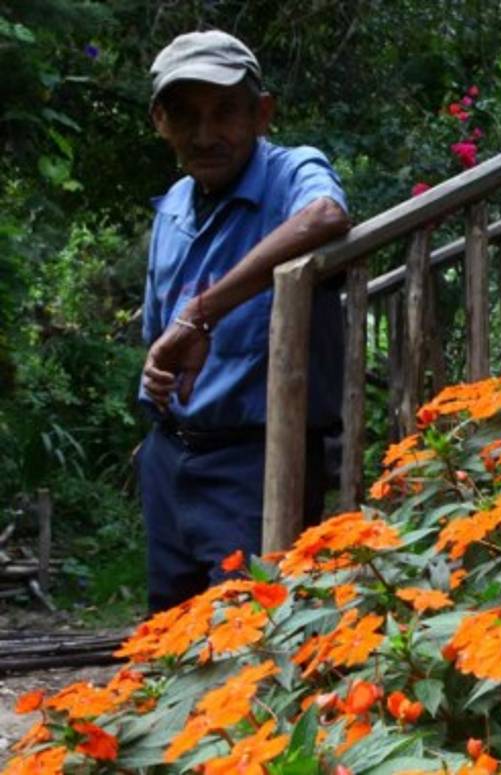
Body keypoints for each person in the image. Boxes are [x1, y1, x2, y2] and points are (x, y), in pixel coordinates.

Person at [138, 30, 351, 611]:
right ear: (161, 121)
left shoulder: (291, 173)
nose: (205, 135)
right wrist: (155, 375)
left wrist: (200, 314)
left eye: (225, 111)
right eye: (186, 116)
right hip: (170, 458)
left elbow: (327, 215)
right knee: (169, 645)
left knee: (246, 642)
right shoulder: (176, 203)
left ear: (262, 113)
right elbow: (158, 333)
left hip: (256, 461)